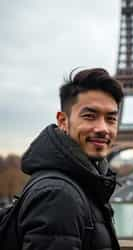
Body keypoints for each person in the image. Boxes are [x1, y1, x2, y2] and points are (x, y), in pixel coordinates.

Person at [18, 68, 124, 250]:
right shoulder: (57, 195)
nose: (102, 128)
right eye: (90, 116)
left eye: (111, 119)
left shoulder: (82, 183)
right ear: (62, 121)